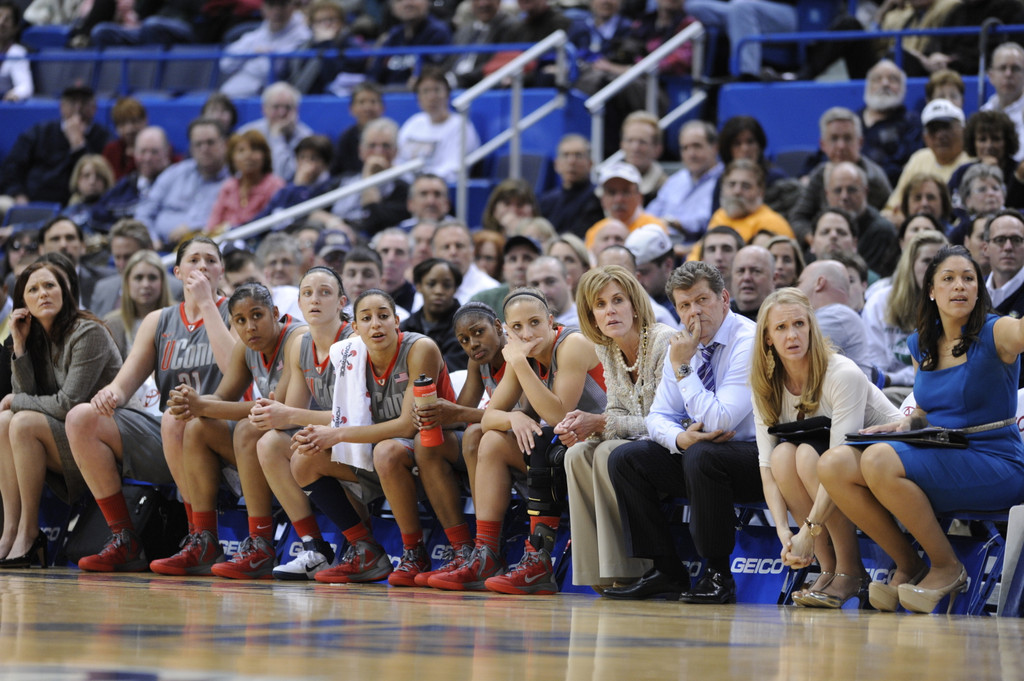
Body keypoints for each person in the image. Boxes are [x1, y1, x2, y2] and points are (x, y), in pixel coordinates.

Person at [819, 245, 1024, 614]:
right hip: (944, 454)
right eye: (948, 279)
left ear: (979, 289)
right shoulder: (922, 342)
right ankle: (909, 564)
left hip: (997, 462)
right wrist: (904, 424)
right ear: (931, 290)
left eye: (968, 279)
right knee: (834, 464)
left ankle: (947, 567)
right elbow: (930, 410)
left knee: (879, 461)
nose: (959, 286)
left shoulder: (999, 332)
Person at [71, 237, 235, 573]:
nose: (202, 266)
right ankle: (124, 538)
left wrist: (207, 305)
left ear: (221, 271)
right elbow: (123, 383)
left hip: (224, 429)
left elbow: (235, 369)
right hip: (172, 435)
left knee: (178, 415)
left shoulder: (235, 311)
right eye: (193, 260)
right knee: (81, 418)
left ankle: (202, 539)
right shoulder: (157, 321)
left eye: (210, 260)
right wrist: (112, 394)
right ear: (177, 272)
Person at [429, 288, 606, 593]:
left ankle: (538, 561)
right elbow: (487, 418)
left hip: (604, 443)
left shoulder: (572, 344)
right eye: (518, 327)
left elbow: (557, 416)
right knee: (491, 441)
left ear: (551, 321)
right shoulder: (519, 355)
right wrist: (513, 418)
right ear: (507, 330)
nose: (527, 333)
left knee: (541, 438)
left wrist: (520, 365)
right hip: (562, 449)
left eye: (535, 322)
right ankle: (486, 554)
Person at [604, 261, 761, 603]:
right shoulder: (681, 345)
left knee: (704, 456)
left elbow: (721, 421)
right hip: (703, 455)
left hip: (758, 458)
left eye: (702, 300)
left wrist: (684, 367)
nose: (695, 313)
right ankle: (665, 570)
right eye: (685, 305)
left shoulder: (747, 341)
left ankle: (719, 575)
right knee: (627, 458)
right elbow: (658, 416)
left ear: (724, 299)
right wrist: (679, 439)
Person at [291, 289, 464, 587]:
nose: (376, 325)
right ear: (355, 328)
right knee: (303, 458)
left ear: (397, 320)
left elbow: (407, 427)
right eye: (367, 319)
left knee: (386, 450)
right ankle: (365, 550)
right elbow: (345, 416)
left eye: (383, 316)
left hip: (438, 448)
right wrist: (321, 434)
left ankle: (415, 552)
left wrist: (336, 434)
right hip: (386, 456)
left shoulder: (419, 348)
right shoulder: (349, 355)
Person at [750, 288, 900, 607]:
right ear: (767, 338)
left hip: (886, 463)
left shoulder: (840, 373)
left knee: (808, 457)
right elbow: (766, 468)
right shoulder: (765, 384)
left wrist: (808, 530)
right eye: (781, 328)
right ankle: (828, 568)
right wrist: (784, 533)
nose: (792, 335)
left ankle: (849, 569)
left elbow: (839, 461)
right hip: (835, 468)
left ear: (811, 327)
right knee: (782, 455)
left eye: (799, 324)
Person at [159, 283, 304, 580]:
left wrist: (204, 405)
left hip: (304, 438)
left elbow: (276, 410)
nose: (249, 326)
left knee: (248, 429)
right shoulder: (246, 348)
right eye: (240, 320)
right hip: (272, 445)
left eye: (257, 315)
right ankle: (204, 541)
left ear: (275, 313)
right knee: (197, 427)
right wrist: (189, 401)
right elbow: (222, 398)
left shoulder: (296, 338)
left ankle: (261, 545)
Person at [560, 265, 675, 591]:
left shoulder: (662, 341)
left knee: (609, 451)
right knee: (578, 454)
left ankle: (629, 566)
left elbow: (669, 422)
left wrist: (601, 424)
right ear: (591, 315)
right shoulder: (608, 348)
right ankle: (596, 570)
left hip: (671, 448)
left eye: (617, 300)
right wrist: (586, 428)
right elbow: (616, 412)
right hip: (637, 446)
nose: (609, 310)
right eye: (599, 305)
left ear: (635, 305)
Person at [0, 261, 121, 566]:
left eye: (50, 285)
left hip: (103, 445)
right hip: (62, 437)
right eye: (33, 289)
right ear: (22, 302)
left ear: (65, 291)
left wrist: (16, 401)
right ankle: (11, 530)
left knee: (22, 420)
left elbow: (68, 404)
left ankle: (30, 533)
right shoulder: (35, 336)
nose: (43, 294)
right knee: (4, 422)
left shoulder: (88, 331)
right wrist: (20, 345)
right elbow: (30, 394)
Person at [248, 266, 354, 580]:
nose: (314, 299)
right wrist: (267, 413)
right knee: (269, 442)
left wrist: (288, 415)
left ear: (341, 302)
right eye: (307, 293)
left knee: (303, 449)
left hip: (364, 439)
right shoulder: (300, 344)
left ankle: (363, 545)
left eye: (325, 292)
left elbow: (353, 419)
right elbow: (289, 411)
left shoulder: (354, 342)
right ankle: (314, 548)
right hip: (329, 437)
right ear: (299, 301)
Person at [863, 230, 948, 402]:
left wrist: (894, 378)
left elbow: (942, 367)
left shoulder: (954, 304)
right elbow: (875, 366)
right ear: (910, 266)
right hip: (886, 388)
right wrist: (889, 379)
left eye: (940, 262)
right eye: (926, 261)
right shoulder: (880, 302)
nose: (934, 268)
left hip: (937, 389)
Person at [789, 107, 893, 244]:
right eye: (834, 138)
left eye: (847, 138)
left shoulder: (873, 178)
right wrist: (816, 240)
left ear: (860, 142)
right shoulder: (819, 174)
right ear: (823, 145)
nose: (841, 146)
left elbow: (885, 221)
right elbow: (798, 217)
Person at [0, 85, 110, 206]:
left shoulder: (103, 138)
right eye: (72, 102)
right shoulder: (40, 132)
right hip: (30, 199)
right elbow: (12, 166)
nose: (78, 108)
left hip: (77, 205)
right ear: (62, 106)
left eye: (84, 102)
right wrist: (18, 194)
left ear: (94, 108)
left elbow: (100, 177)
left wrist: (79, 146)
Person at [136, 118, 230, 248]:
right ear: (191, 147)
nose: (204, 149)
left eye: (210, 143)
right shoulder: (174, 173)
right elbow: (144, 212)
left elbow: (233, 221)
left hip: (206, 251)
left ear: (224, 144)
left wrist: (194, 228)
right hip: (159, 248)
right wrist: (151, 239)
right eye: (198, 144)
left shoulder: (234, 182)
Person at [885, 99, 972, 218]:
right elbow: (891, 208)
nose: (940, 135)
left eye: (946, 127)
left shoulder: (972, 162)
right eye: (933, 130)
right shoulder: (919, 158)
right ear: (925, 137)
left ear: (963, 130)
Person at [395, 68, 480, 184]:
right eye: (425, 91)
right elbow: (398, 160)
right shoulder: (413, 123)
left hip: (438, 189)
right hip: (406, 188)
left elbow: (453, 172)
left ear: (447, 94)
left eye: (437, 90)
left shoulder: (460, 126)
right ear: (418, 98)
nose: (432, 97)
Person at [647, 120, 724, 244]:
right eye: (685, 148)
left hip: (698, 249)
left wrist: (673, 222)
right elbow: (650, 214)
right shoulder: (675, 180)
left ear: (714, 148)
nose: (691, 154)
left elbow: (706, 222)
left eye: (696, 146)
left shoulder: (726, 181)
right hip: (662, 244)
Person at [218, 0, 312, 98]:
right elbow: (225, 63)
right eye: (271, 5)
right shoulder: (258, 33)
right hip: (246, 86)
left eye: (282, 5)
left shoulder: (303, 35)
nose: (277, 11)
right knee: (221, 101)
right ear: (263, 8)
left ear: (292, 7)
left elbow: (269, 69)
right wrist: (253, 52)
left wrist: (256, 58)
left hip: (281, 90)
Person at [797, 259, 873, 377]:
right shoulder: (837, 314)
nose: (796, 289)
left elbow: (796, 361)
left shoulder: (836, 315)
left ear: (820, 282)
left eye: (799, 282)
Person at [207, 130, 285, 234]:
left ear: (265, 155)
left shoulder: (276, 185)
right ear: (232, 158)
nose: (248, 155)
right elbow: (212, 226)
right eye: (241, 150)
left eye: (254, 149)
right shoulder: (228, 187)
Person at [860, 59, 922, 188]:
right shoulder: (851, 121)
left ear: (903, 88)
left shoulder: (912, 124)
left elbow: (907, 169)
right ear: (868, 86)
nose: (885, 83)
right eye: (878, 79)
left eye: (892, 79)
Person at [237, 82, 314, 182]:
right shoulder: (247, 133)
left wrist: (277, 137)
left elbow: (284, 176)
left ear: (297, 110)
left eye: (287, 107)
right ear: (264, 109)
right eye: (276, 107)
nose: (282, 113)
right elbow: (237, 173)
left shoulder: (306, 137)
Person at [707, 159, 794, 244]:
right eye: (731, 184)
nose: (737, 191)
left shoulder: (772, 224)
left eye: (746, 186)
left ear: (761, 192)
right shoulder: (719, 215)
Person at [104, 249, 172, 357]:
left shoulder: (179, 318)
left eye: (152, 277)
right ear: (127, 282)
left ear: (162, 282)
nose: (145, 284)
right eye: (138, 278)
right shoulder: (111, 324)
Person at [584, 162, 667, 250]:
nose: (618, 199)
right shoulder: (595, 232)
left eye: (626, 192)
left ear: (639, 197)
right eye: (612, 193)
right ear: (602, 200)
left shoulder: (654, 229)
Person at [402, 258, 465, 371]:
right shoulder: (404, 328)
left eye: (446, 285)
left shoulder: (466, 329)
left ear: (455, 289)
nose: (438, 291)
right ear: (418, 286)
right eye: (431, 284)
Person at [37, 216, 114, 310]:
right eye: (55, 239)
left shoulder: (106, 279)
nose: (63, 245)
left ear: (83, 246)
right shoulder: (28, 282)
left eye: (70, 238)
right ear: (41, 249)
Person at [368, 0, 452, 86]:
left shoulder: (438, 32)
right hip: (388, 94)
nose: (407, 3)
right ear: (392, 7)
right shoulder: (394, 35)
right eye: (399, 0)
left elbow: (434, 73)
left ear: (427, 2)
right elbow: (374, 74)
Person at [539, 134, 605, 239]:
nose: (571, 161)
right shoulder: (546, 201)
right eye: (565, 155)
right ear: (556, 164)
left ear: (590, 164)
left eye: (578, 155)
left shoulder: (598, 198)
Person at [981, 42, 1024, 163]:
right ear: (991, 76)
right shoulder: (985, 112)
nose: (1008, 74)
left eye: (1015, 68)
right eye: (1002, 68)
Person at [101, 97, 147, 181]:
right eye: (123, 123)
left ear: (145, 121)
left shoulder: (156, 148)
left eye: (134, 121)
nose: (129, 129)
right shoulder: (110, 151)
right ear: (116, 127)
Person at [730, 245, 775, 320]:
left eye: (756, 271)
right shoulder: (720, 317)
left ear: (774, 278)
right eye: (741, 271)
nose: (746, 277)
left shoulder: (785, 316)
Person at [0, 2, 33, 103]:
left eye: (7, 19)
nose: (1, 22)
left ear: (15, 28)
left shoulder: (17, 53)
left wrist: (15, 94)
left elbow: (25, 86)